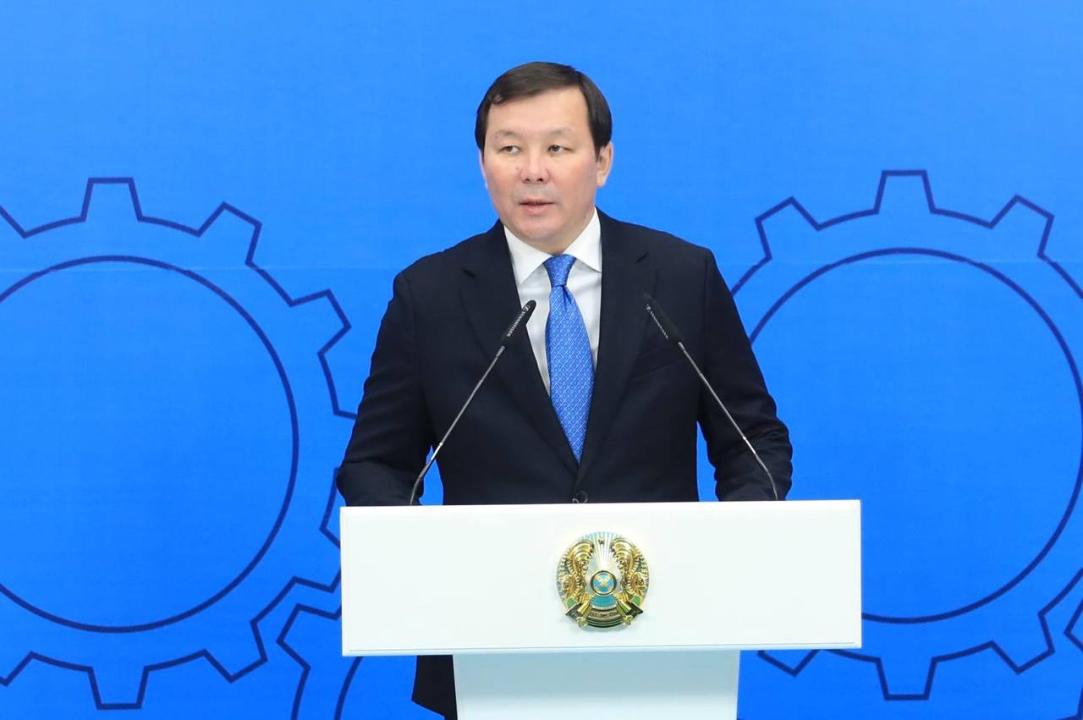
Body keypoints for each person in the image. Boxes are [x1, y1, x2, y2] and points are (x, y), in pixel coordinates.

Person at [336, 61, 792, 719]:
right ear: (483, 163)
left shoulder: (679, 276)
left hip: (665, 634)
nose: (533, 171)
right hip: (486, 638)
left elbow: (752, 439)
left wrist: (727, 547)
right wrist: (427, 562)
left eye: (557, 147)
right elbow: (375, 463)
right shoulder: (428, 295)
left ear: (602, 161)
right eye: (509, 149)